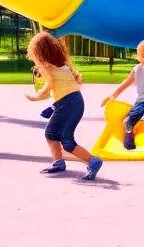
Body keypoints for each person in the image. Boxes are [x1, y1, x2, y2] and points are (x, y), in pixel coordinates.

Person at [25, 31, 103, 180]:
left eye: (33, 55)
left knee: (63, 140)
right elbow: (69, 86)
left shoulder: (46, 68)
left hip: (67, 104)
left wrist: (34, 97)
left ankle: (93, 161)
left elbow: (49, 87)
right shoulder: (63, 66)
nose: (33, 59)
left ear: (41, 54)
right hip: (75, 102)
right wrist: (54, 106)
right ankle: (58, 162)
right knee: (54, 135)